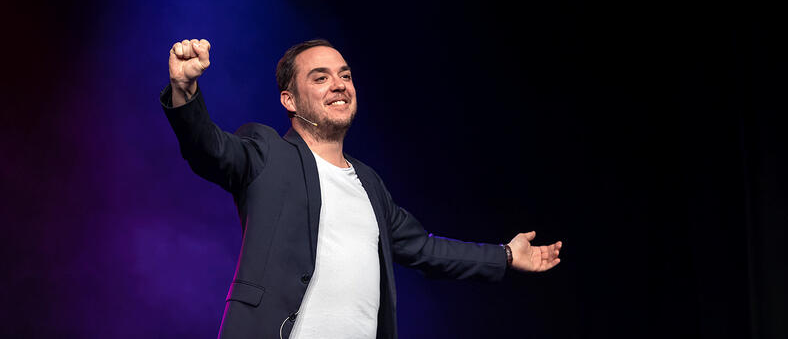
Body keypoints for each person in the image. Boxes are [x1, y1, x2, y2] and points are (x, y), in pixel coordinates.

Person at [161, 37, 562, 339]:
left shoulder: (368, 183)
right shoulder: (266, 151)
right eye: (320, 78)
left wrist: (506, 255)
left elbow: (424, 248)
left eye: (345, 75)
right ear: (290, 99)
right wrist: (184, 90)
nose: (339, 84)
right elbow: (208, 149)